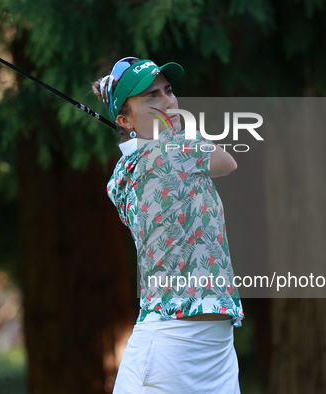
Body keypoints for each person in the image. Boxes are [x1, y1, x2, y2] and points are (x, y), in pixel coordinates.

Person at [92, 57, 244, 393]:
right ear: (124, 119)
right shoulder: (176, 148)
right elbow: (226, 162)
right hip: (168, 347)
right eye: (151, 97)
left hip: (216, 350)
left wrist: (148, 136)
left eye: (168, 90)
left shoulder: (126, 170)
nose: (168, 101)